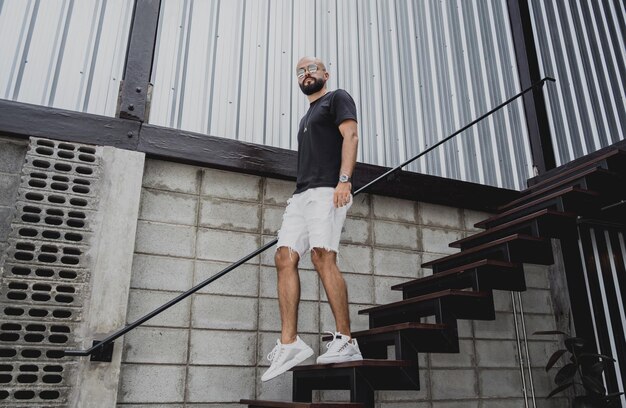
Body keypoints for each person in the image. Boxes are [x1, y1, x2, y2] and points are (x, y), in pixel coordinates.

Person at [261, 57, 362, 382]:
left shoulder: (337, 98)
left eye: (312, 69)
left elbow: (351, 136)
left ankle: (346, 340)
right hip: (301, 195)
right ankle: (290, 343)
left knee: (322, 256)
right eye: (301, 71)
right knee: (283, 257)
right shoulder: (307, 115)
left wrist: (344, 180)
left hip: (326, 192)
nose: (306, 74)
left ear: (326, 75)